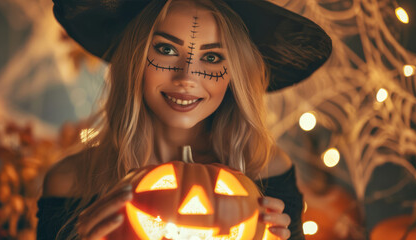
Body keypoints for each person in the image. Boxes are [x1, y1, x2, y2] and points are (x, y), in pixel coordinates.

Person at [37, 0, 332, 239]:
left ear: (235, 73)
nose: (187, 78)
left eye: (213, 58)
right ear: (135, 57)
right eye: (165, 50)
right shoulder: (70, 182)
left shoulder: (267, 170)